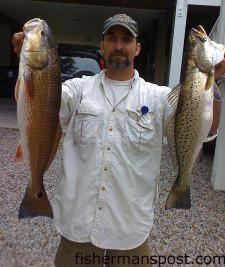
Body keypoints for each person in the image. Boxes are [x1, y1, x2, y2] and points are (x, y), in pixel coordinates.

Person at [12, 14, 225, 267]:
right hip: (78, 223)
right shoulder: (76, 90)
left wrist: (213, 80)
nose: (119, 45)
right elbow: (33, 103)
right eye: (112, 38)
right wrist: (26, 61)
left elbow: (206, 127)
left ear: (137, 48)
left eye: (127, 38)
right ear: (101, 47)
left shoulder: (159, 97)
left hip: (130, 228)